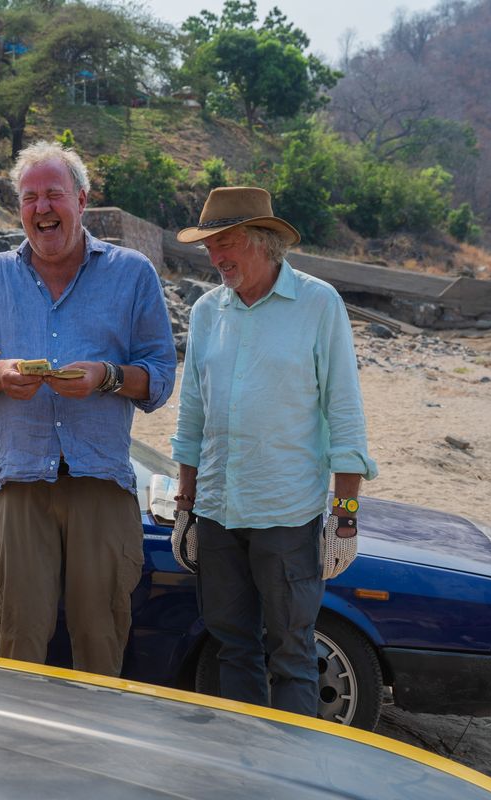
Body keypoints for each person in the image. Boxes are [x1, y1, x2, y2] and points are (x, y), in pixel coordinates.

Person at [0, 141, 176, 677]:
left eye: (54, 194)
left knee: (101, 643)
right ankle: (24, 757)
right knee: (19, 642)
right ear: (18, 208)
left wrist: (107, 377)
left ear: (82, 199)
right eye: (30, 198)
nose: (42, 208)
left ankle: (91, 756)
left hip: (103, 484)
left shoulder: (132, 273)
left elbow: (160, 381)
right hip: (22, 486)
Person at [170, 186, 378, 715]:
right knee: (232, 647)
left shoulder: (318, 303)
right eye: (210, 247)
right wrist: (184, 507)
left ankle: (291, 776)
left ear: (264, 242)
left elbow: (344, 414)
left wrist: (346, 517)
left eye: (227, 243)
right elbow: (191, 415)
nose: (216, 258)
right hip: (217, 513)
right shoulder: (205, 312)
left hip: (287, 515)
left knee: (291, 651)